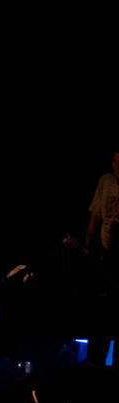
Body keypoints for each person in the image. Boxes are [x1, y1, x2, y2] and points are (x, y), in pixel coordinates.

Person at [82, 150, 119, 367]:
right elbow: (95, 214)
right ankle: (95, 362)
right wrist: (87, 244)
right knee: (100, 312)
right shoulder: (105, 181)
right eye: (115, 161)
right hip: (106, 251)